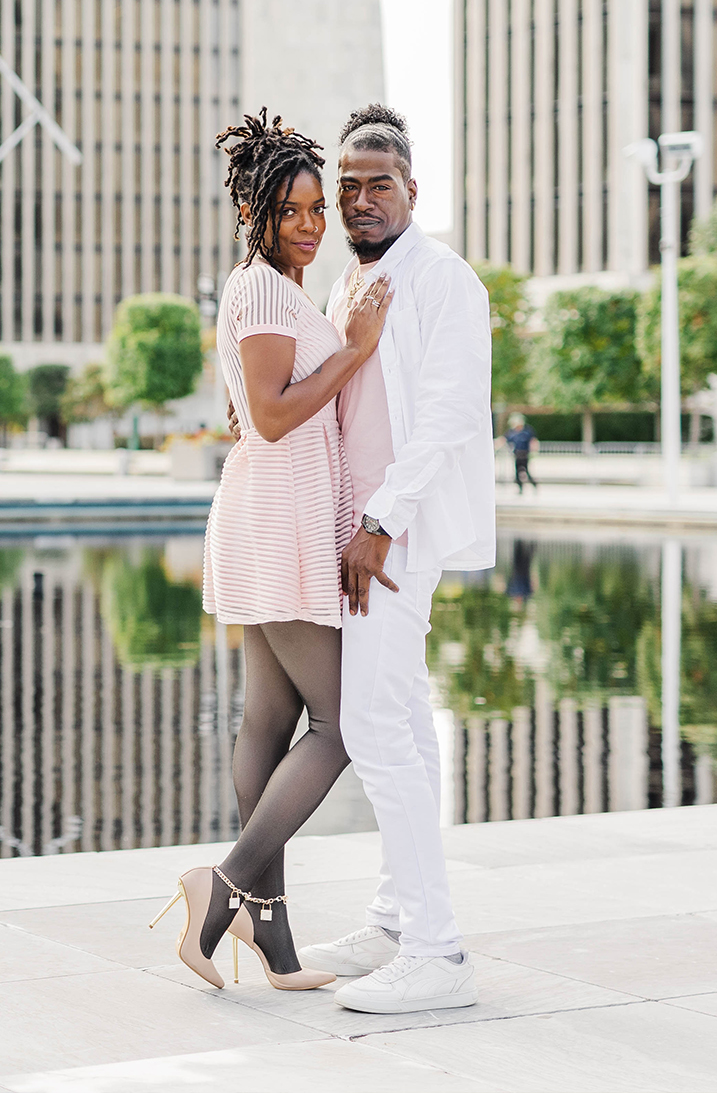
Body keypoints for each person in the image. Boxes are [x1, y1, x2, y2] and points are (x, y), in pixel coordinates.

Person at [153, 109, 390, 993]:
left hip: (276, 512)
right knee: (341, 725)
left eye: (317, 208)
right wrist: (356, 351)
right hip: (278, 521)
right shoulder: (259, 288)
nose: (311, 224)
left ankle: (274, 940)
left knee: (268, 721)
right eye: (290, 210)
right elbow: (273, 415)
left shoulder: (281, 292)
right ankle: (221, 887)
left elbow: (259, 403)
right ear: (254, 213)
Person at [297, 104, 496, 1015]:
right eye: (349, 187)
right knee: (406, 723)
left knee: (375, 726)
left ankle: (436, 952)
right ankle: (393, 922)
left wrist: (381, 520)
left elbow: (449, 413)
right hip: (355, 533)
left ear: (413, 189)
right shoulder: (351, 281)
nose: (361, 199)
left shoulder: (443, 280)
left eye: (379, 184)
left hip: (394, 537)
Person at [504, 413, 538, 493]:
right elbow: (505, 439)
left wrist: (534, 451)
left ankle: (534, 485)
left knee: (526, 472)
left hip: (525, 454)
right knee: (517, 473)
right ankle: (520, 488)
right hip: (517, 454)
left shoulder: (527, 431)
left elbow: (533, 441)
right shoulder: (512, 432)